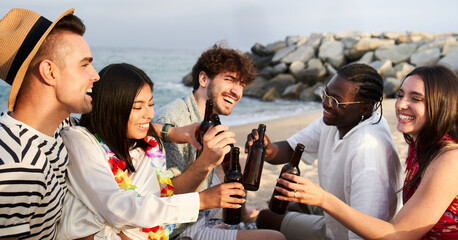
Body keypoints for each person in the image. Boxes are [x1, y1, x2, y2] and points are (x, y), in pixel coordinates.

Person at [57, 63, 285, 240]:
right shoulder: (80, 141)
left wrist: (206, 160)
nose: (148, 114)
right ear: (112, 107)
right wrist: (201, 200)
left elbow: (165, 196)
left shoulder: (145, 146)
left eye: (151, 104)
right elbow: (119, 208)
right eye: (138, 107)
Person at [273, 65, 458, 239]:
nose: (401, 105)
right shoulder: (420, 144)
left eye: (415, 98)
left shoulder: (449, 160)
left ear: (441, 105)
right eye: (400, 95)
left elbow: (397, 234)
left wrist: (323, 199)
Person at [252, 63, 402, 239]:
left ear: (365, 108)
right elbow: (290, 149)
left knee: (268, 219)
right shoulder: (340, 119)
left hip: (346, 234)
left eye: (335, 100)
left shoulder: (368, 155)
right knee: (275, 209)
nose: (325, 103)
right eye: (325, 93)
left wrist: (321, 200)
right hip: (334, 218)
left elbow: (366, 233)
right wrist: (266, 149)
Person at [0, 8, 100, 239]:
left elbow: (109, 119)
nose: (95, 75)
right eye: (84, 65)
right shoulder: (18, 167)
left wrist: (171, 132)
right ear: (49, 72)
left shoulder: (57, 127)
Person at [154, 44, 265, 239]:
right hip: (179, 229)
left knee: (236, 162)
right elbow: (168, 197)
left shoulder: (209, 116)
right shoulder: (173, 121)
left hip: (200, 208)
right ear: (204, 79)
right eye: (230, 80)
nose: (237, 92)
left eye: (242, 85)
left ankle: (243, 215)